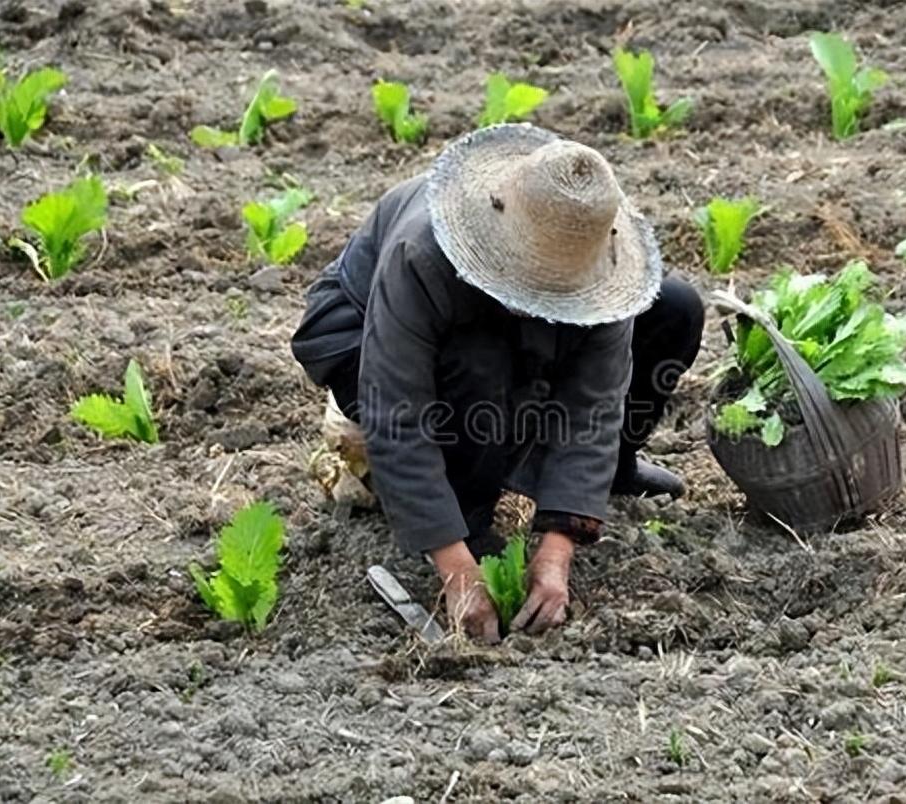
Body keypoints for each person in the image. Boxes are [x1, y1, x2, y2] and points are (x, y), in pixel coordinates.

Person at [291, 124, 703, 642]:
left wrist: (558, 548)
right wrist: (456, 568)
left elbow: (594, 405)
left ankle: (602, 477)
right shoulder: (423, 252)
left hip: (521, 349)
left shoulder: (596, 258)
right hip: (373, 343)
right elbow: (397, 411)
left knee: (675, 306)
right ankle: (467, 512)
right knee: (478, 358)